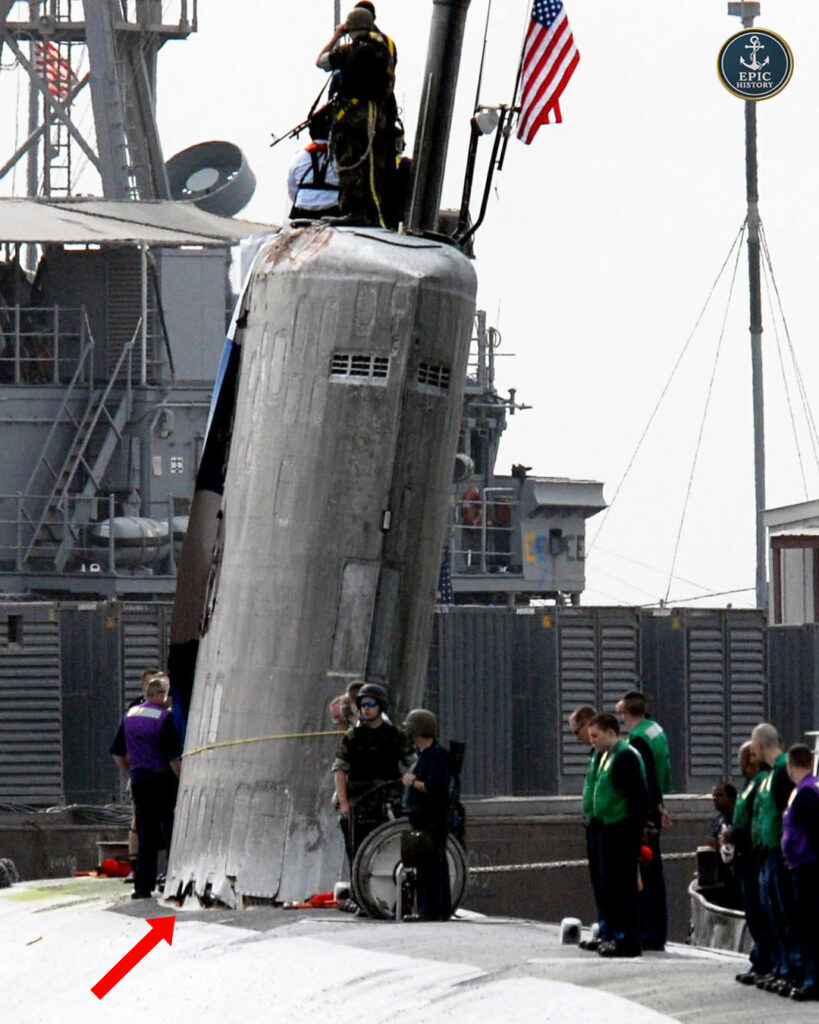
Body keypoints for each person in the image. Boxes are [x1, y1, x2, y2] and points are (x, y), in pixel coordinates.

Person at [316, 7, 396, 226]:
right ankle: (373, 214)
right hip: (377, 116)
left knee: (350, 162)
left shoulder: (350, 50)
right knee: (371, 165)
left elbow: (320, 61)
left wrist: (337, 35)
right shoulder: (385, 49)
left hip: (352, 116)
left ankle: (353, 211)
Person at [111, 675, 182, 900]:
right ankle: (172, 880)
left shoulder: (130, 715)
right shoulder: (165, 718)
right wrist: (183, 781)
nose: (169, 699)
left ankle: (142, 887)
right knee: (171, 829)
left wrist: (131, 771)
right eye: (167, 694)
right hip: (162, 779)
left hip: (140, 779)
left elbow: (117, 752)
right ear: (158, 695)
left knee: (145, 833)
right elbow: (173, 759)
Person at [586, 712, 649, 958]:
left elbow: (636, 798)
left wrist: (634, 831)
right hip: (607, 827)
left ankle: (627, 938)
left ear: (611, 732)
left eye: (596, 736)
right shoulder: (605, 756)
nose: (592, 741)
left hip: (621, 830)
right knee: (609, 884)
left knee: (623, 885)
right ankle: (613, 933)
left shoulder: (625, 757)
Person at [331, 682, 409, 868]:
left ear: (380, 706)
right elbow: (340, 770)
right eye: (363, 705)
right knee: (357, 855)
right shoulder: (353, 737)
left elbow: (413, 763)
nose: (366, 709)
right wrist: (343, 803)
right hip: (360, 802)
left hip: (388, 801)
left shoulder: (395, 735)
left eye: (371, 704)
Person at [617, 689, 672, 951]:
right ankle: (656, 930)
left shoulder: (637, 739)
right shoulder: (655, 730)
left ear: (625, 712)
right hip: (656, 804)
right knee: (654, 873)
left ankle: (650, 931)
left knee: (646, 874)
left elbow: (645, 775)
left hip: (646, 809)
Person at [750, 722, 799, 995]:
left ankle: (791, 967)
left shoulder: (781, 773)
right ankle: (781, 966)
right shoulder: (770, 775)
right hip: (766, 849)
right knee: (771, 912)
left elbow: (784, 815)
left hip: (778, 853)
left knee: (783, 912)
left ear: (758, 745)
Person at [110, 666, 163, 881]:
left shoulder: (136, 712)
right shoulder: (140, 711)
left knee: (148, 822)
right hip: (147, 773)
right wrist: (130, 772)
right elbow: (118, 748)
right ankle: (137, 868)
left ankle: (146, 876)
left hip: (146, 773)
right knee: (140, 820)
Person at [402, 708, 452, 921]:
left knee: (431, 865)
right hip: (423, 817)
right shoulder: (426, 755)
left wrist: (412, 782)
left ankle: (431, 909)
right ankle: (430, 908)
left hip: (433, 818)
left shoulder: (436, 756)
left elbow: (436, 787)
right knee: (426, 864)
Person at [730, 740, 772, 986]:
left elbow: (756, 819)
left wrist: (736, 835)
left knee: (761, 911)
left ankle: (767, 961)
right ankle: (759, 959)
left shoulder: (761, 783)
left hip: (754, 852)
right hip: (745, 854)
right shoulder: (749, 785)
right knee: (753, 912)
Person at [782, 743, 819, 1002]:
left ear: (791, 765)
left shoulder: (804, 793)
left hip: (807, 868)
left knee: (809, 925)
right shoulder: (811, 788)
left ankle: (813, 979)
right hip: (805, 865)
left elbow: (813, 830)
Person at [569, 704, 606, 951]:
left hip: (605, 825)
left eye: (576, 732)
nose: (579, 739)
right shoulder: (595, 755)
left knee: (609, 882)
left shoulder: (610, 755)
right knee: (600, 882)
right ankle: (605, 929)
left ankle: (613, 930)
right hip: (593, 823)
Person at [287, 105, 340, 220]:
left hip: (303, 211)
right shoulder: (340, 158)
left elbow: (292, 189)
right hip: (332, 211)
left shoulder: (298, 157)